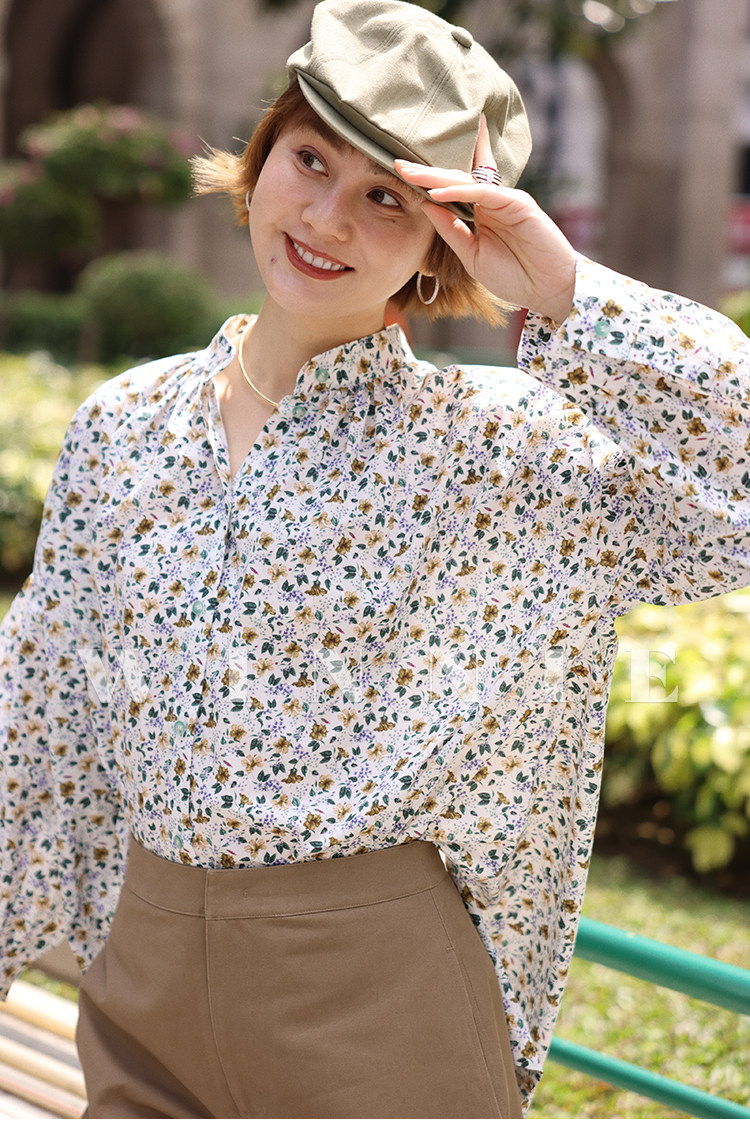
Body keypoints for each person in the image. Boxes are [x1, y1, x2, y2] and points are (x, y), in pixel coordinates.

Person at [0, 0, 748, 1117]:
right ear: (262, 157)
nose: (328, 217)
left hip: (375, 996)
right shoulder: (126, 425)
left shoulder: (502, 451)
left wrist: (561, 288)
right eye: (311, 160)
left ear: (446, 237)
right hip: (142, 975)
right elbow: (42, 709)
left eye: (387, 197)